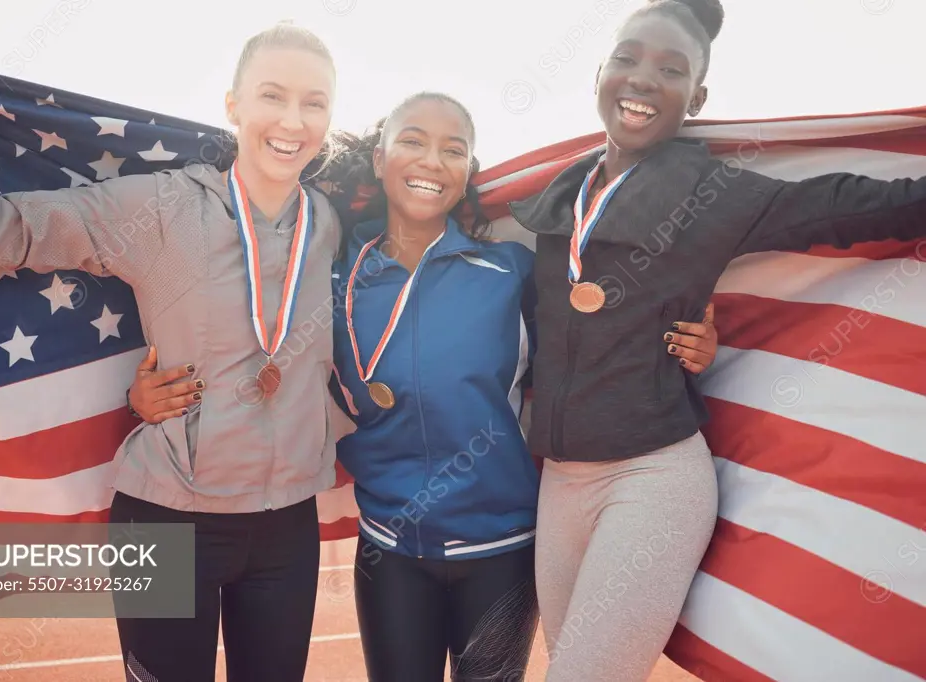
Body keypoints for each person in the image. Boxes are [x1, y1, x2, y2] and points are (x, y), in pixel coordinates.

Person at [130, 92, 720, 681]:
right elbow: (250, 355)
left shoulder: (509, 272)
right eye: (413, 141)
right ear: (381, 157)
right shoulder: (328, 276)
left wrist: (686, 343)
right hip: (388, 547)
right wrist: (150, 396)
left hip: (501, 547)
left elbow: (594, 351)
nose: (432, 160)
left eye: (453, 150)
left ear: (467, 175)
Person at [0, 21, 352, 682]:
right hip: (167, 521)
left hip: (286, 527)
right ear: (232, 105)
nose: (292, 120)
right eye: (272, 96)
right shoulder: (161, 208)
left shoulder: (329, 223)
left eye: (314, 102)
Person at [506, 1, 926, 680]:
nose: (643, 78)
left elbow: (849, 207)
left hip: (651, 481)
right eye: (628, 58)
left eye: (671, 69)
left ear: (695, 98)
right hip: (558, 485)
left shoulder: (708, 191)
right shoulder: (559, 200)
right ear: (599, 74)